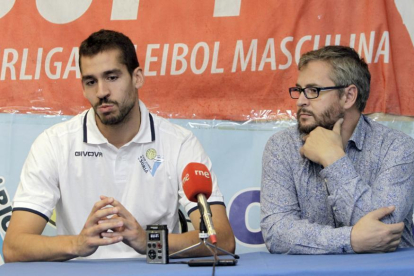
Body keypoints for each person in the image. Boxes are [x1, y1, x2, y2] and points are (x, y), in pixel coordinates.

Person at [3, 29, 235, 262]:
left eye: (112, 77)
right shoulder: (54, 143)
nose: (102, 92)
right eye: (91, 81)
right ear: (82, 87)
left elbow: (222, 240)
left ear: (137, 78)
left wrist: (147, 241)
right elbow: (14, 247)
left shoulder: (179, 143)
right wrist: (78, 243)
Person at [261, 45, 414, 254]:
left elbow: (382, 231)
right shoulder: (282, 146)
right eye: (299, 90)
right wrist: (350, 240)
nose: (301, 101)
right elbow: (276, 232)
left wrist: (333, 158)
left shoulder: (397, 147)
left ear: (348, 96)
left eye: (313, 91)